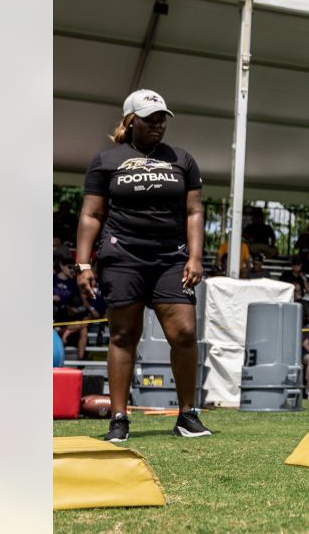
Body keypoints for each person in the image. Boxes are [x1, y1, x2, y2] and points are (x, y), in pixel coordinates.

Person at [74, 89, 210, 441]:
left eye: (162, 117)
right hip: (122, 257)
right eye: (150, 118)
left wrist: (195, 257)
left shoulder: (182, 159)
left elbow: (194, 212)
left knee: (184, 333)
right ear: (131, 120)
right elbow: (91, 214)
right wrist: (83, 264)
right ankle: (119, 419)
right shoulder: (107, 159)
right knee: (123, 335)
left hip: (171, 258)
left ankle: (187, 415)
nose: (158, 124)